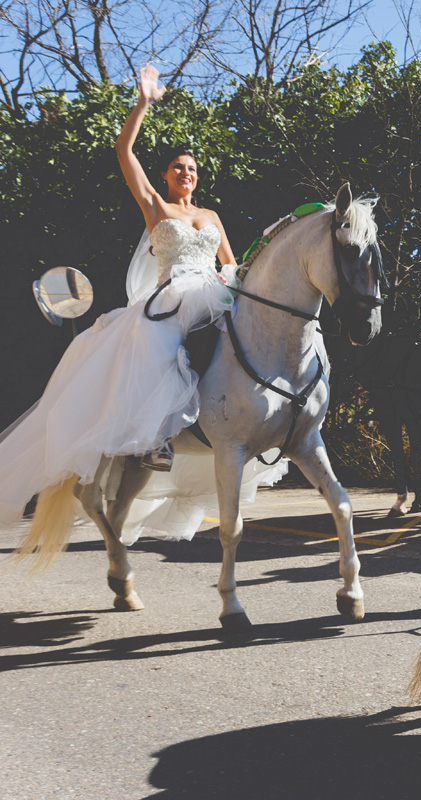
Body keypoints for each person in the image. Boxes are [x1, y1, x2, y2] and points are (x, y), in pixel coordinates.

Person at [0, 64, 243, 531]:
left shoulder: (211, 214)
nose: (186, 173)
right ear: (165, 174)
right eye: (178, 167)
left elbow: (230, 264)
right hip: (172, 293)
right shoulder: (156, 205)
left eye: (192, 168)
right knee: (158, 343)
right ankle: (158, 438)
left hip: (213, 291)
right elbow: (122, 149)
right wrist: (143, 103)